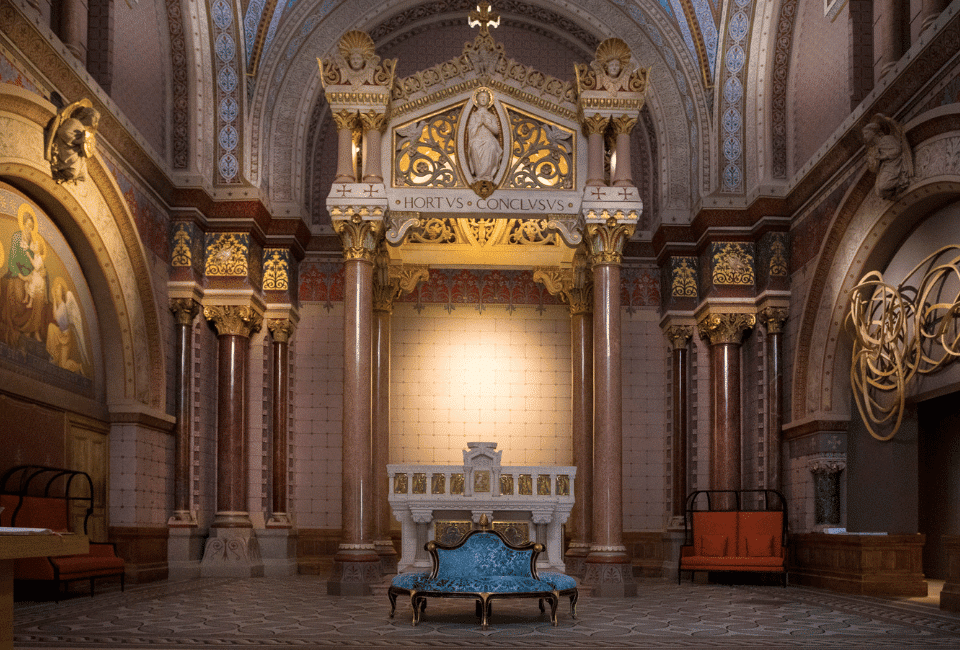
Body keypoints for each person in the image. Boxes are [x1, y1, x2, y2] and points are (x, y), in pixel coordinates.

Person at [862, 116, 912, 199]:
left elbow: (897, 150)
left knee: (883, 186)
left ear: (873, 132)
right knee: (878, 191)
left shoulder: (886, 139)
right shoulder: (875, 147)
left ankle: (901, 180)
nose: (864, 137)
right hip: (885, 167)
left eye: (866, 133)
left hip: (894, 166)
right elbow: (874, 166)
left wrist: (883, 157)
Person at [467, 89, 502, 182]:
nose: (483, 98)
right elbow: (470, 130)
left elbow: (496, 131)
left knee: (491, 144)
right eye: (481, 97)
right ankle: (479, 175)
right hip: (477, 139)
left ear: (489, 100)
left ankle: (487, 175)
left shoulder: (491, 116)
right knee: (474, 145)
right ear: (477, 99)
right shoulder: (474, 115)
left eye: (486, 97)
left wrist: (487, 124)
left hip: (489, 139)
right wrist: (478, 124)